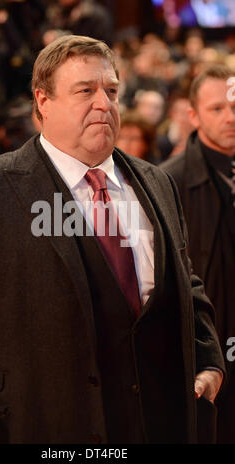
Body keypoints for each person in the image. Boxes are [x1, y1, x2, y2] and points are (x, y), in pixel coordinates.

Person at [0, 35, 224, 444]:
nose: (103, 104)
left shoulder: (158, 182)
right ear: (43, 102)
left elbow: (186, 283)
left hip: (162, 423)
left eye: (111, 91)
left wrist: (210, 361)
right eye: (85, 91)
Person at [161, 64, 235, 443]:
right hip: (206, 352)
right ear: (193, 115)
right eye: (217, 109)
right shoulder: (165, 182)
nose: (230, 118)